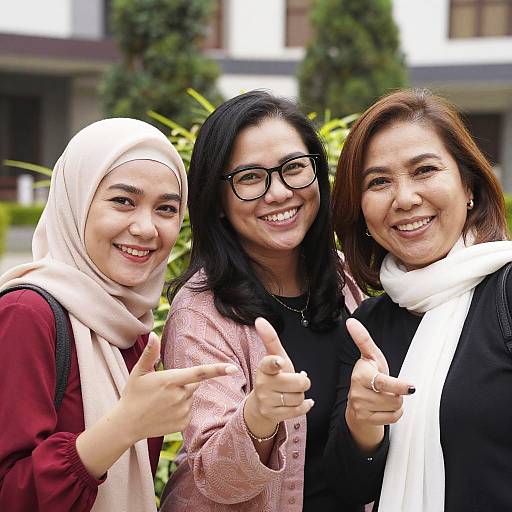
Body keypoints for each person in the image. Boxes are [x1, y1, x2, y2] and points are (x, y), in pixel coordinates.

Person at [0, 118, 237, 512]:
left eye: (165, 208)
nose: (146, 228)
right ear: (76, 201)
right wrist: (123, 425)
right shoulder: (26, 314)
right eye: (123, 201)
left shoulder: (131, 332)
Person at [159, 90, 363, 511]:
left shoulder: (345, 280)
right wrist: (259, 417)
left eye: (293, 168)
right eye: (251, 177)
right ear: (217, 201)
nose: (279, 193)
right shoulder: (201, 313)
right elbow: (217, 481)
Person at [325, 88, 512, 511]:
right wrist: (362, 426)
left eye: (424, 170)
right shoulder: (367, 324)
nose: (405, 198)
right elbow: (346, 489)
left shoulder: (506, 294)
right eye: (379, 182)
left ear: (469, 185)